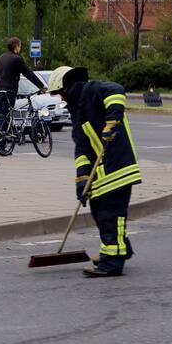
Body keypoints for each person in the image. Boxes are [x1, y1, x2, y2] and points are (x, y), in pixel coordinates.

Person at [46, 66, 140, 277]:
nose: (61, 98)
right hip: (102, 173)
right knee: (99, 211)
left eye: (61, 92)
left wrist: (113, 120)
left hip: (118, 167)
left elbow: (116, 90)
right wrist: (82, 179)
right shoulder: (77, 113)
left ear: (69, 87)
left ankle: (112, 262)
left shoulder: (92, 90)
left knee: (110, 215)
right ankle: (120, 248)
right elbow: (82, 151)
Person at [0, 37, 45, 149]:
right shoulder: (16, 59)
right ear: (16, 46)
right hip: (9, 91)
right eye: (19, 46)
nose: (20, 48)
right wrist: (41, 86)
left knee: (3, 116)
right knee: (5, 118)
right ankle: (1, 147)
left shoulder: (2, 57)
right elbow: (28, 73)